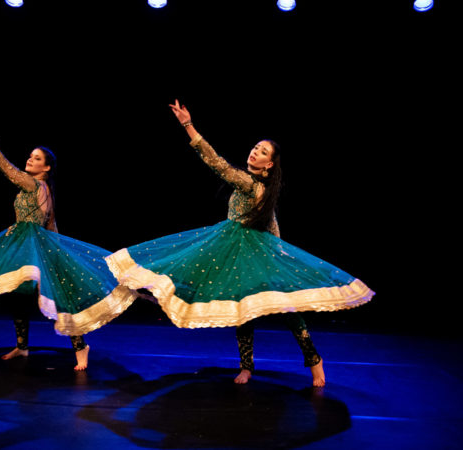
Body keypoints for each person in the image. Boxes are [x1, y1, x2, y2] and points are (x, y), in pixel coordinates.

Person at [105, 100, 374, 386]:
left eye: (263, 152)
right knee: (243, 310)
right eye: (256, 147)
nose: (255, 151)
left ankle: (314, 360)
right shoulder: (259, 187)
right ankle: (247, 366)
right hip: (237, 252)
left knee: (288, 310)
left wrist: (188, 125)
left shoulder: (251, 184)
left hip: (256, 253)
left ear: (269, 164)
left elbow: (217, 164)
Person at [0, 115, 137, 370]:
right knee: (19, 296)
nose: (30, 159)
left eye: (36, 158)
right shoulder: (42, 189)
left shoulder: (34, 184)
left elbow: (7, 169)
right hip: (21, 245)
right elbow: (50, 224)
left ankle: (81, 346)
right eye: (31, 156)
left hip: (31, 245)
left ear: (46, 168)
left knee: (59, 296)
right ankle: (22, 347)